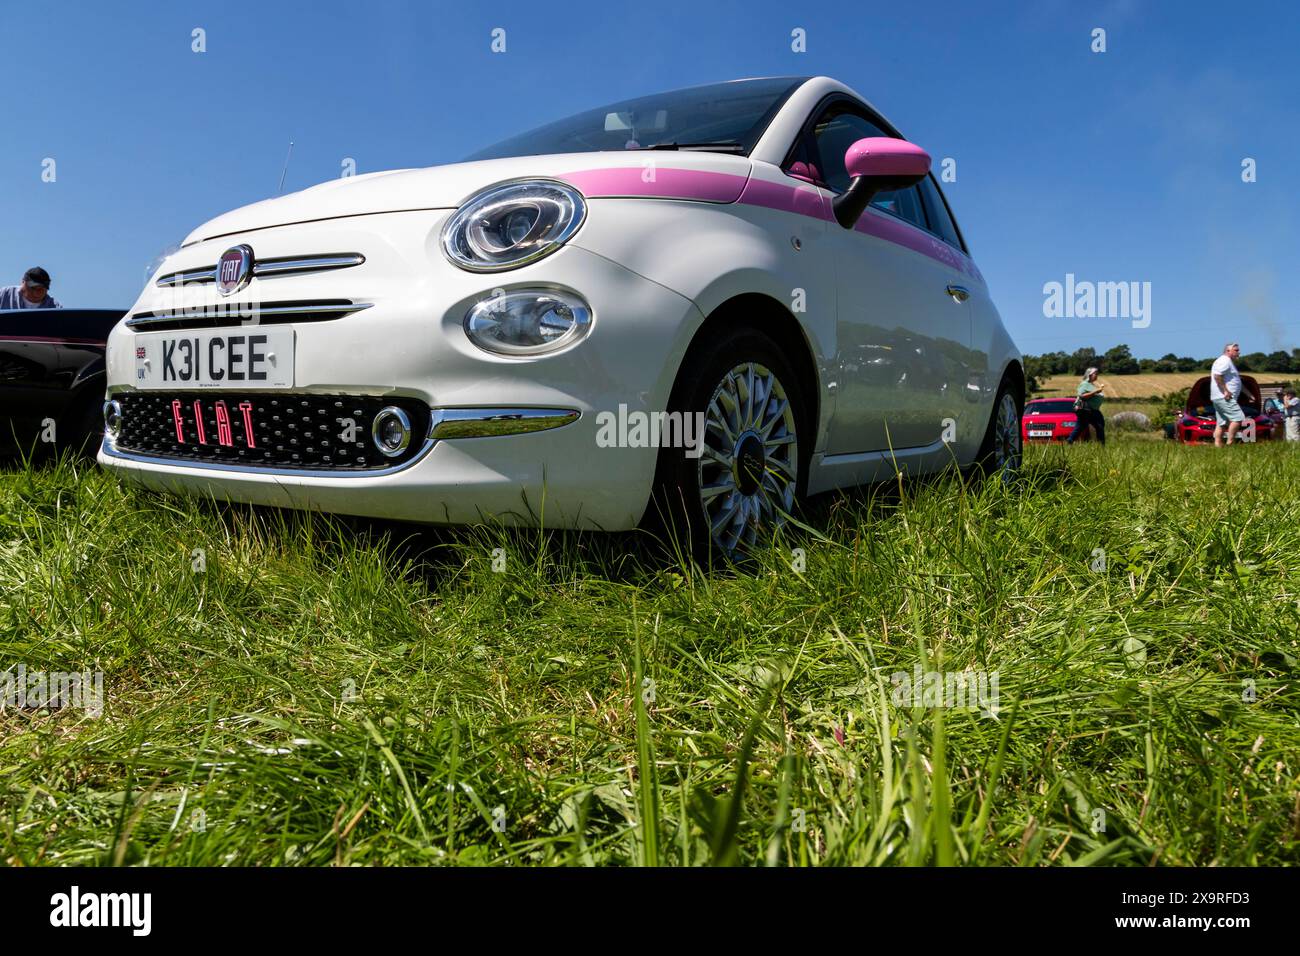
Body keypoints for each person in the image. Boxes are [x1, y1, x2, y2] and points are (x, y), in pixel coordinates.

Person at [1210, 342, 1244, 447]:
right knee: (1238, 418)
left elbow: (1234, 381)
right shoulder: (1225, 361)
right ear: (1228, 351)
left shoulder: (1226, 361)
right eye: (1236, 350)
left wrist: (1248, 394)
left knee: (1222, 423)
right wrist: (1225, 390)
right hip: (1224, 396)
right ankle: (1230, 443)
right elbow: (1217, 376)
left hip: (1219, 397)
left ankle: (1218, 445)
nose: (1239, 352)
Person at [1067, 367, 1106, 444]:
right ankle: (1102, 446)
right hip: (1087, 410)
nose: (1097, 375)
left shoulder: (1090, 385)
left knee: (1080, 427)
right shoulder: (1084, 384)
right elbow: (1082, 396)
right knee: (1099, 426)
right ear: (1090, 375)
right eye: (1095, 374)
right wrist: (1096, 391)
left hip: (1090, 410)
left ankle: (1070, 441)